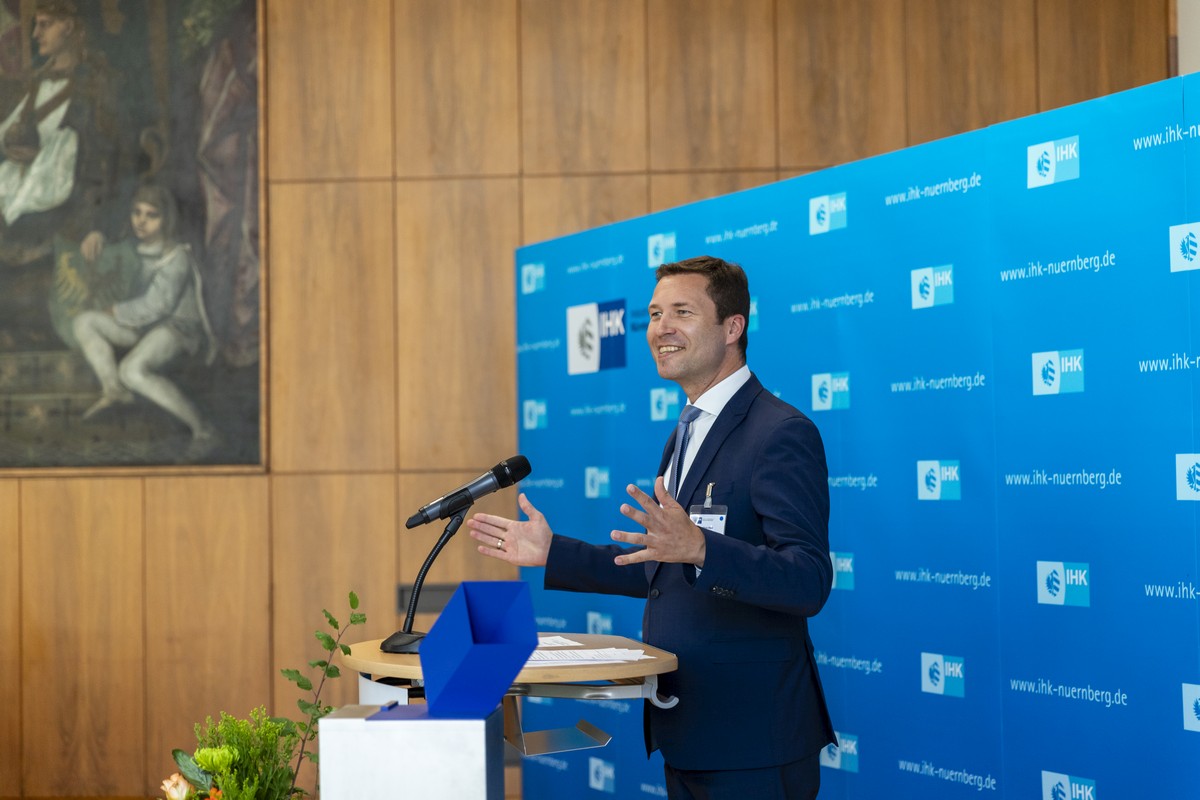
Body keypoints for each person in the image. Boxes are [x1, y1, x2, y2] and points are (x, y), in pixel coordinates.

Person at [467, 255, 836, 798]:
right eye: (655, 314)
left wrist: (703, 549)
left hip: (754, 737)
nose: (661, 328)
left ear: (732, 327)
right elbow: (663, 568)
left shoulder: (779, 432)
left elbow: (807, 580)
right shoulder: (686, 431)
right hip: (687, 726)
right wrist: (553, 552)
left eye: (682, 312)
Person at [72, 183, 219, 459]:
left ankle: (204, 430)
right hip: (142, 325)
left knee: (132, 370)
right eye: (136, 212)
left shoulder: (176, 257)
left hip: (177, 327)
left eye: (152, 215)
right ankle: (114, 390)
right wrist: (97, 234)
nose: (141, 221)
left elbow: (157, 305)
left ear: (167, 219)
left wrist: (116, 311)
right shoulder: (134, 249)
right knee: (83, 322)